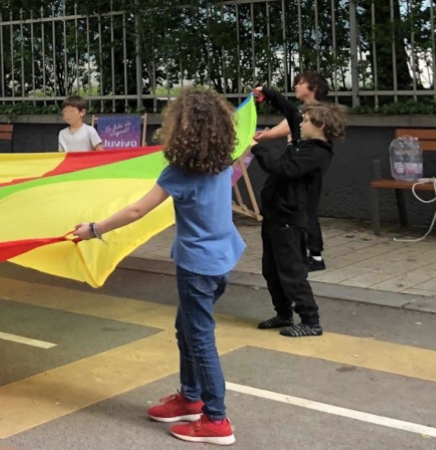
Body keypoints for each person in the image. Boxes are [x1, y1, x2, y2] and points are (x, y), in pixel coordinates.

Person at [73, 88, 244, 446]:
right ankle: (190, 397)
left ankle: (216, 420)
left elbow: (137, 210)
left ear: (180, 128)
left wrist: (93, 230)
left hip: (197, 266)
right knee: (187, 329)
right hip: (221, 260)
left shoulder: (179, 172)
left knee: (199, 338)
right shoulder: (222, 162)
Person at [251, 85, 347, 338]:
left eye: (306, 120)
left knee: (292, 272)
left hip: (289, 220)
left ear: (321, 126)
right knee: (271, 270)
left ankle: (310, 320)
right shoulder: (304, 140)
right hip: (273, 216)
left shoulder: (317, 154)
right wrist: (269, 93)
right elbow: (291, 112)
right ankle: (283, 314)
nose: (300, 123)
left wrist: (256, 147)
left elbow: (284, 169)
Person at [253, 71, 330, 272]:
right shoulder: (304, 113)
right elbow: (289, 114)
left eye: (301, 83)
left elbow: (290, 119)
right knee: (296, 208)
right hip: (296, 166)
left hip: (305, 169)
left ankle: (315, 255)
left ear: (313, 88)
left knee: (306, 209)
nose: (296, 86)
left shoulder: (320, 115)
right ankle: (300, 252)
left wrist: (264, 139)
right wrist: (269, 94)